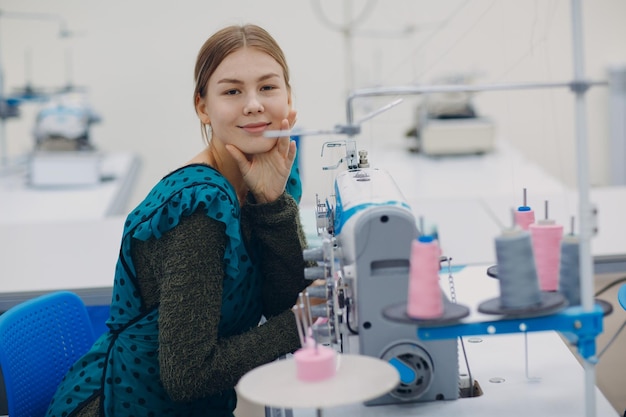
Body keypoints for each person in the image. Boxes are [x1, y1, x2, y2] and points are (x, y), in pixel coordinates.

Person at [47, 24, 311, 417]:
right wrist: (306, 320)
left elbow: (282, 301)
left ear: (288, 96)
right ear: (203, 106)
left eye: (268, 87)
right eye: (232, 91)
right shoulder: (200, 210)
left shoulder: (269, 176)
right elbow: (189, 374)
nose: (254, 104)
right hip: (122, 404)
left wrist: (273, 207)